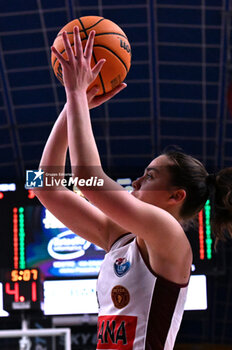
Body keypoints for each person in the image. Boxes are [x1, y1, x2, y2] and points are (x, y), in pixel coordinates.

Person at [34, 27, 232, 350]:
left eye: (150, 176)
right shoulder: (120, 237)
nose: (137, 182)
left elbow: (88, 180)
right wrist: (75, 104)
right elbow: (44, 186)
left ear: (175, 196)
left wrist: (75, 94)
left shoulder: (170, 235)